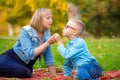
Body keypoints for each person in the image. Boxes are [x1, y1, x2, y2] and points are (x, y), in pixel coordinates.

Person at [0, 8, 56, 78]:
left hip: (25, 66)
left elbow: (48, 57)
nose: (51, 20)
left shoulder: (46, 34)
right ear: (39, 19)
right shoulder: (26, 31)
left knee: (26, 73)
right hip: (10, 59)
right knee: (23, 72)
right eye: (48, 18)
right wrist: (47, 43)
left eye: (51, 18)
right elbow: (30, 54)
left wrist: (54, 76)